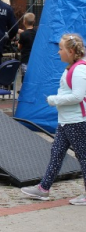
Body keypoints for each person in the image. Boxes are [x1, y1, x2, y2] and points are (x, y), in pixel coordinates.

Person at [21, 34, 86, 205]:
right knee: (56, 154)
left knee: (83, 156)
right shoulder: (71, 68)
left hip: (76, 121)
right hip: (66, 120)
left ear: (71, 51)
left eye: (61, 49)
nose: (58, 52)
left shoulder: (79, 70)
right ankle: (43, 189)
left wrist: (54, 100)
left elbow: (78, 96)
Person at [18, 13, 37, 77]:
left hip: (25, 59)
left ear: (24, 22)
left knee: (25, 78)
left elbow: (20, 47)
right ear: (34, 21)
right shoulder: (37, 33)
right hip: (34, 59)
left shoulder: (23, 35)